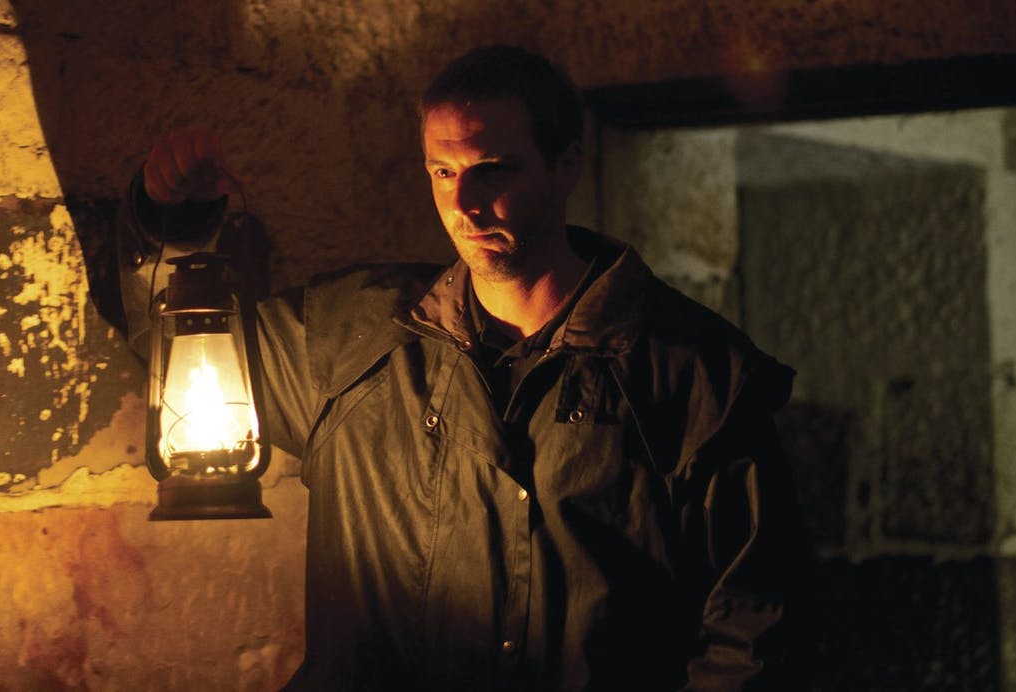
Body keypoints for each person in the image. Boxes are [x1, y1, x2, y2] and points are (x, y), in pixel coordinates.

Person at [117, 46, 807, 690]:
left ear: (566, 165)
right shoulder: (348, 341)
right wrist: (173, 224)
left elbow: (751, 628)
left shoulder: (693, 374)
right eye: (443, 172)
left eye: (492, 169)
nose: (464, 204)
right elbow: (176, 353)